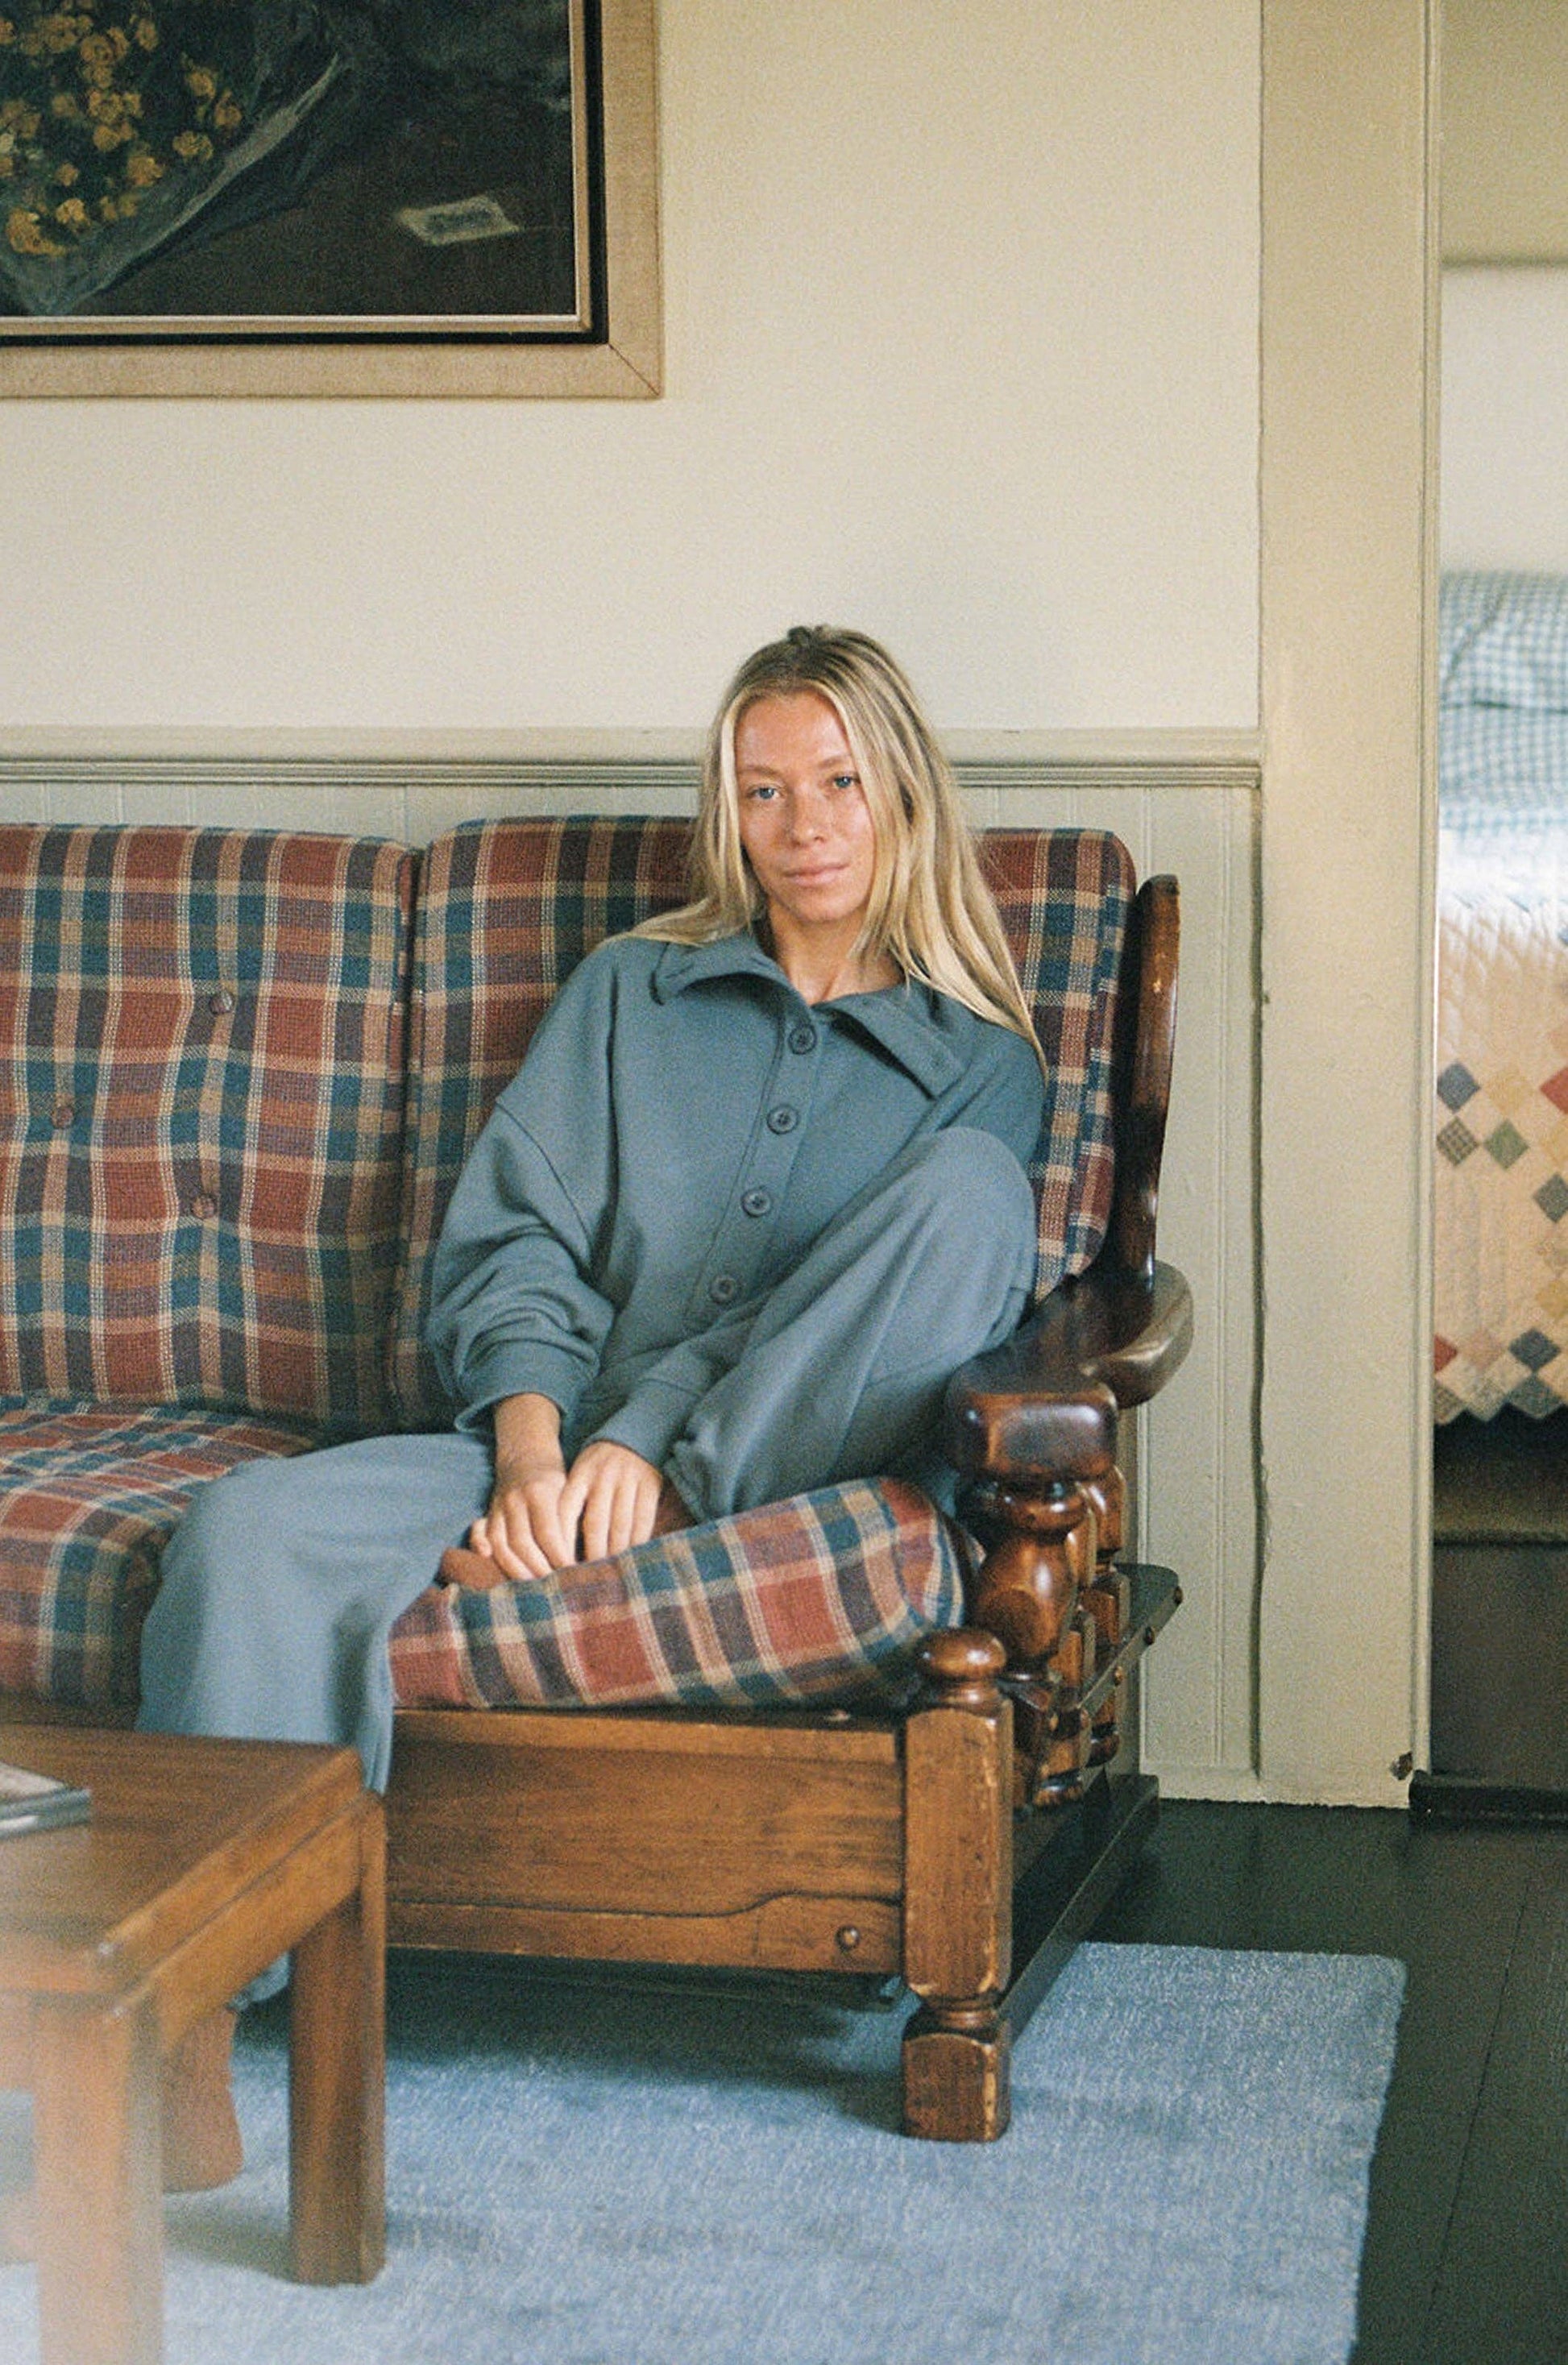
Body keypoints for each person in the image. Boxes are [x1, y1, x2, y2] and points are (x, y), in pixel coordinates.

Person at [128, 624, 1047, 2195]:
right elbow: (515, 1242)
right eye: (762, 790)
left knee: (969, 1197)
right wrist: (533, 1452)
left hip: (783, 1461)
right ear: (725, 810)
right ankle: (189, 2017)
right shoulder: (631, 989)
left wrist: (651, 1450)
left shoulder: (980, 1065)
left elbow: (867, 1302)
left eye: (839, 782)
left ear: (904, 791)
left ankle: (644, 1525)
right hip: (552, 1457)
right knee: (248, 1528)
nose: (805, 826)